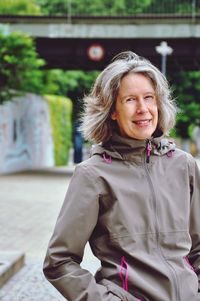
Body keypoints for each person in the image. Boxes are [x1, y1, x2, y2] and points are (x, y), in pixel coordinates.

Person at [43, 51, 200, 301]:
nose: (143, 109)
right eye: (130, 100)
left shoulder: (184, 165)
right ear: (112, 111)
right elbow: (59, 261)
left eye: (149, 97)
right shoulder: (93, 175)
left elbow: (198, 249)